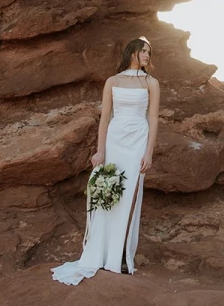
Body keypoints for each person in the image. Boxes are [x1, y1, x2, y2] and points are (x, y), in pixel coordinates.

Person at [52, 37, 160, 285]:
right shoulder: (113, 81)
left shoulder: (151, 83)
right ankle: (101, 252)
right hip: (115, 139)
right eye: (143, 51)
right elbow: (104, 119)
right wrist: (100, 152)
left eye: (149, 52)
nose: (147, 55)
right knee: (111, 192)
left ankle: (121, 256)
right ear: (132, 52)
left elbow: (153, 119)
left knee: (131, 192)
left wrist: (149, 152)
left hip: (138, 139)